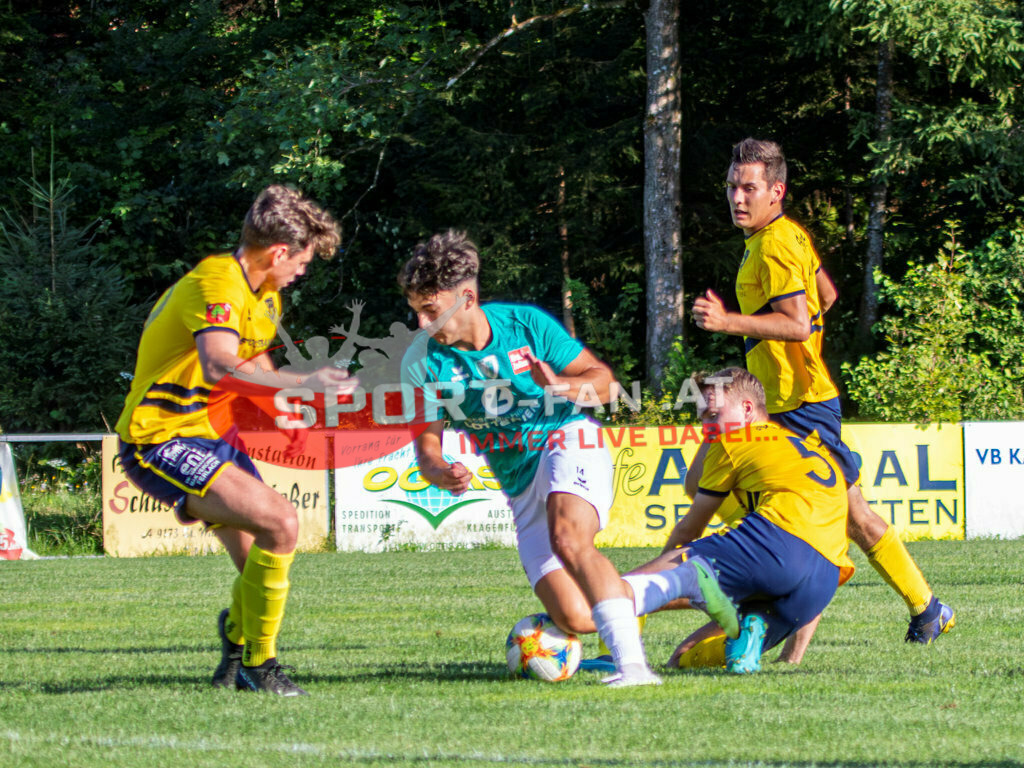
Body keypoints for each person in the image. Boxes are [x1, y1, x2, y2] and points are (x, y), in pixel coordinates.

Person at [397, 230, 739, 687]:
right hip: (519, 485)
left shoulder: (526, 326)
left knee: (569, 537)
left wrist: (558, 386)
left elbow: (605, 384)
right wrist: (439, 471)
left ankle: (633, 668)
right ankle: (690, 582)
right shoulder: (422, 361)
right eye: (415, 310)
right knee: (577, 616)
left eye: (430, 310)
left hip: (567, 437)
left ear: (466, 297)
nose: (420, 323)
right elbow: (427, 446)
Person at [691, 138, 954, 658]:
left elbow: (797, 320)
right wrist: (803, 345)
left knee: (833, 519)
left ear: (777, 191)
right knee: (830, 516)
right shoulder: (782, 237)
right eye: (732, 187)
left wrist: (729, 324)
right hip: (794, 401)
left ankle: (921, 609)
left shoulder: (776, 244)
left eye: (749, 187)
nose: (737, 198)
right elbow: (826, 298)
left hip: (800, 406)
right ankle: (917, 611)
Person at [115, 185, 355, 696]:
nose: (303, 272)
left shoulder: (264, 294)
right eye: (303, 261)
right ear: (279, 252)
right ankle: (259, 665)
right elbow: (220, 361)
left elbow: (256, 355)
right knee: (282, 522)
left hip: (209, 434)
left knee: (261, 560)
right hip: (156, 439)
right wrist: (303, 384)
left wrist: (283, 409)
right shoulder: (217, 282)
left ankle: (236, 640)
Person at [623, 367, 853, 673]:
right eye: (702, 417)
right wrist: (792, 658)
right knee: (682, 658)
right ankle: (750, 636)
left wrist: (664, 565)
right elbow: (814, 551)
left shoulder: (733, 443)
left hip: (778, 547)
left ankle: (560, 627)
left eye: (713, 414)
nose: (706, 425)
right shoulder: (803, 449)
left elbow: (691, 526)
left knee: (629, 588)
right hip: (821, 582)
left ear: (747, 409)